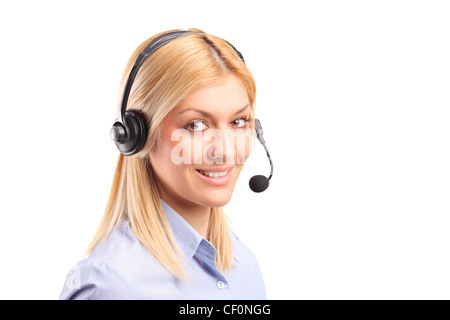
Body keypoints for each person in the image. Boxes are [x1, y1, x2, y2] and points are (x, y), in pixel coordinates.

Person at [59, 28, 266, 299]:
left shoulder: (244, 266)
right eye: (196, 125)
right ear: (137, 136)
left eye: (238, 122)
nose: (226, 151)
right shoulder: (111, 284)